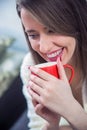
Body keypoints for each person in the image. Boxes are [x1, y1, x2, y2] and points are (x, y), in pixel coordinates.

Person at [16, 0, 87, 130]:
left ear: (76, 19)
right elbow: (37, 126)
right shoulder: (31, 65)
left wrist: (70, 109)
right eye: (33, 35)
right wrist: (52, 124)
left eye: (52, 30)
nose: (44, 48)